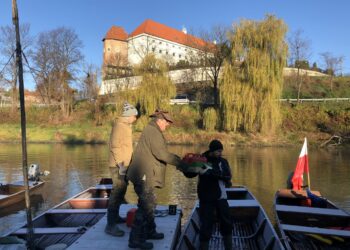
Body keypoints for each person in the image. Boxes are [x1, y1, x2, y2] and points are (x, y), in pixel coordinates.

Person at [126, 110, 187, 249]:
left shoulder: (152, 129)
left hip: (144, 174)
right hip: (143, 175)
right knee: (146, 206)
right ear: (160, 120)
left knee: (150, 203)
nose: (167, 125)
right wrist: (181, 163)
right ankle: (135, 240)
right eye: (166, 122)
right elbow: (161, 154)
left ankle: (149, 231)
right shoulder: (153, 131)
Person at [184, 139, 233, 250]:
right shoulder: (201, 160)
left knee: (226, 222)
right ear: (212, 150)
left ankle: (229, 247)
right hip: (206, 197)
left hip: (221, 197)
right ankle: (204, 246)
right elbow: (189, 174)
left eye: (221, 151)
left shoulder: (223, 162)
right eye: (218, 151)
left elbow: (227, 175)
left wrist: (210, 173)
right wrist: (186, 166)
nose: (220, 153)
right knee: (206, 224)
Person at [104, 102, 138, 237]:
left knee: (121, 191)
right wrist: (122, 165)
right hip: (118, 166)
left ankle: (116, 217)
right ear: (129, 115)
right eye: (135, 116)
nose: (135, 119)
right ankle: (110, 225)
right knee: (116, 193)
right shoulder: (120, 126)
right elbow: (115, 146)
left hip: (122, 165)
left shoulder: (125, 126)